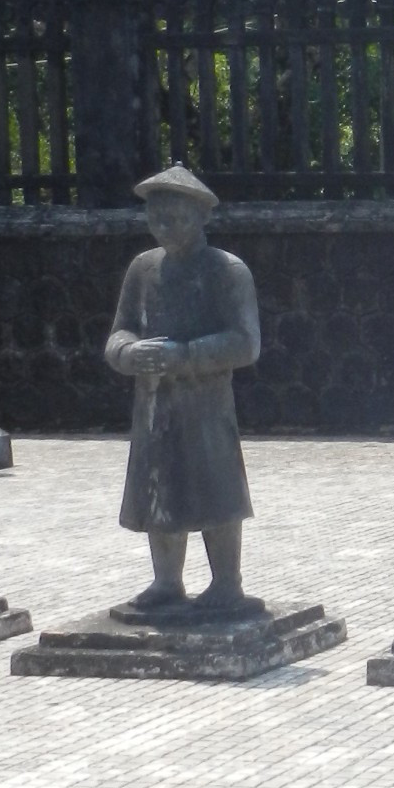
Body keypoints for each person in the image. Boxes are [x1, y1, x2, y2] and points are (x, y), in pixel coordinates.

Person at [104, 165, 261, 616]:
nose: (166, 229)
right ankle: (167, 580)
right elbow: (120, 332)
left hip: (206, 401)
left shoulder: (226, 271)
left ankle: (227, 580)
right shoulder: (143, 269)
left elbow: (245, 341)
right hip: (154, 401)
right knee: (160, 484)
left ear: (201, 218)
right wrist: (129, 353)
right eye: (157, 220)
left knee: (216, 485)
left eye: (176, 219)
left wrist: (185, 354)